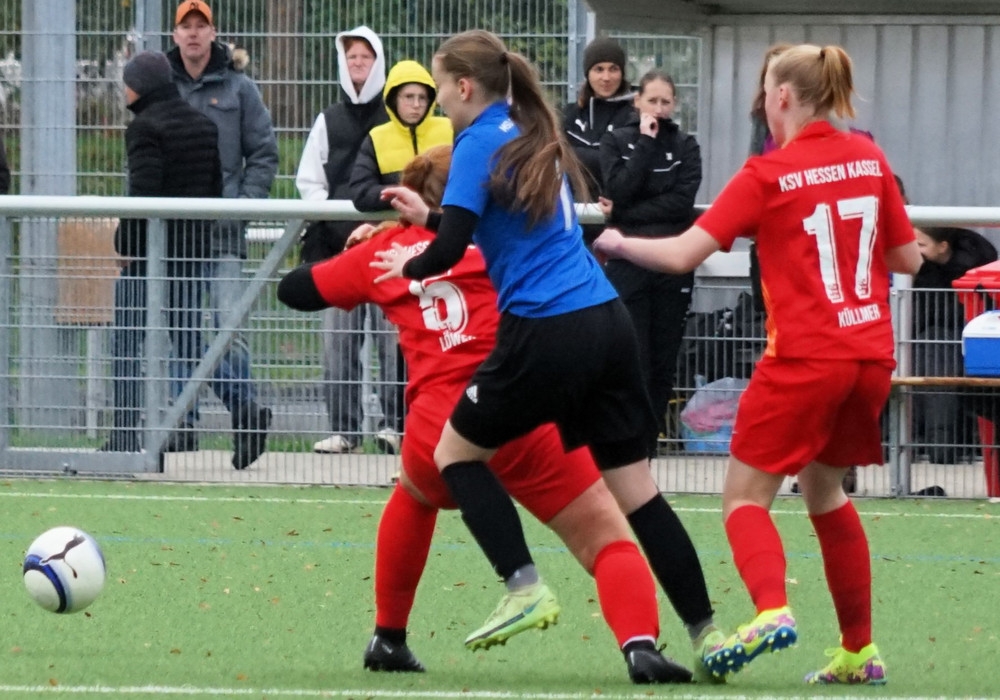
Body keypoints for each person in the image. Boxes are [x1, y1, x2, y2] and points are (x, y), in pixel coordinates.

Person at [370, 30, 721, 682]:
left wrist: (405, 266)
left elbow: (449, 251)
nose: (439, 99)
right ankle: (708, 631)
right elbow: (497, 227)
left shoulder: (476, 141)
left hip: (546, 327)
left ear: (464, 87)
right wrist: (430, 218)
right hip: (607, 319)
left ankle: (523, 584)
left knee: (453, 455)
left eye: (441, 86)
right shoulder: (531, 128)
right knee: (635, 491)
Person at [278, 145, 692, 684]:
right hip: (521, 408)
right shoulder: (504, 240)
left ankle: (388, 636)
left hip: (436, 426)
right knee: (606, 534)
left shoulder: (385, 252)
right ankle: (639, 645)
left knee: (414, 494)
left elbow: (295, 291)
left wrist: (360, 250)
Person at [594, 43, 924, 685]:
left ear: (781, 97)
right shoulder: (870, 157)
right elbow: (907, 259)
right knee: (826, 492)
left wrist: (617, 242)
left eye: (765, 92)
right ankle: (858, 651)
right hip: (868, 355)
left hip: (804, 356)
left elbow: (683, 254)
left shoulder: (767, 174)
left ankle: (771, 609)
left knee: (744, 498)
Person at [168, 0, 276, 470]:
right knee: (181, 330)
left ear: (213, 33)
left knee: (229, 330)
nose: (193, 34)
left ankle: (244, 423)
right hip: (176, 236)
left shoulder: (240, 88)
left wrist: (240, 210)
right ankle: (182, 423)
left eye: (201, 26)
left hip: (224, 238)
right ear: (175, 35)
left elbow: (264, 154)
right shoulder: (163, 86)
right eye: (185, 26)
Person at [101, 51, 221, 454]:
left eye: (127, 84)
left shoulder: (144, 128)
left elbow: (143, 195)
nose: (124, 91)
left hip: (149, 260)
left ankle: (124, 433)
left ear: (140, 86)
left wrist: (125, 246)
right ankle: (244, 404)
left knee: (126, 343)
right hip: (191, 255)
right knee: (190, 342)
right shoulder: (204, 125)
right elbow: (215, 192)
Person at [295, 26, 399, 455]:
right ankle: (344, 429)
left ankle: (395, 426)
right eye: (351, 56)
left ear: (378, 62)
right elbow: (309, 182)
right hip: (338, 252)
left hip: (389, 248)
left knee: (394, 342)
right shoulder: (328, 120)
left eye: (365, 57)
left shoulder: (395, 118)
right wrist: (336, 220)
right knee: (338, 344)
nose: (358, 64)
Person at [599, 69, 702, 456]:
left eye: (665, 102)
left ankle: (648, 452)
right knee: (633, 361)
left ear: (674, 104)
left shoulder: (686, 145)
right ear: (637, 101)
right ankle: (628, 449)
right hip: (628, 264)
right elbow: (618, 187)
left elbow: (681, 204)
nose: (658, 108)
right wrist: (644, 141)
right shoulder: (616, 140)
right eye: (652, 100)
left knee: (662, 363)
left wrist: (625, 211)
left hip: (672, 263)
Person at [913, 225, 997, 462]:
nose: (915, 250)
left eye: (921, 245)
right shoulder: (930, 268)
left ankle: (941, 445)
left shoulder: (933, 274)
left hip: (954, 339)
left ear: (943, 247)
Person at [562, 37, 633, 243]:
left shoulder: (634, 115)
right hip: (573, 222)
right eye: (599, 69)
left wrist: (576, 156)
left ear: (622, 73)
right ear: (588, 74)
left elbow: (630, 170)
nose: (606, 77)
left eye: (613, 69)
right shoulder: (569, 114)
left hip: (618, 225)